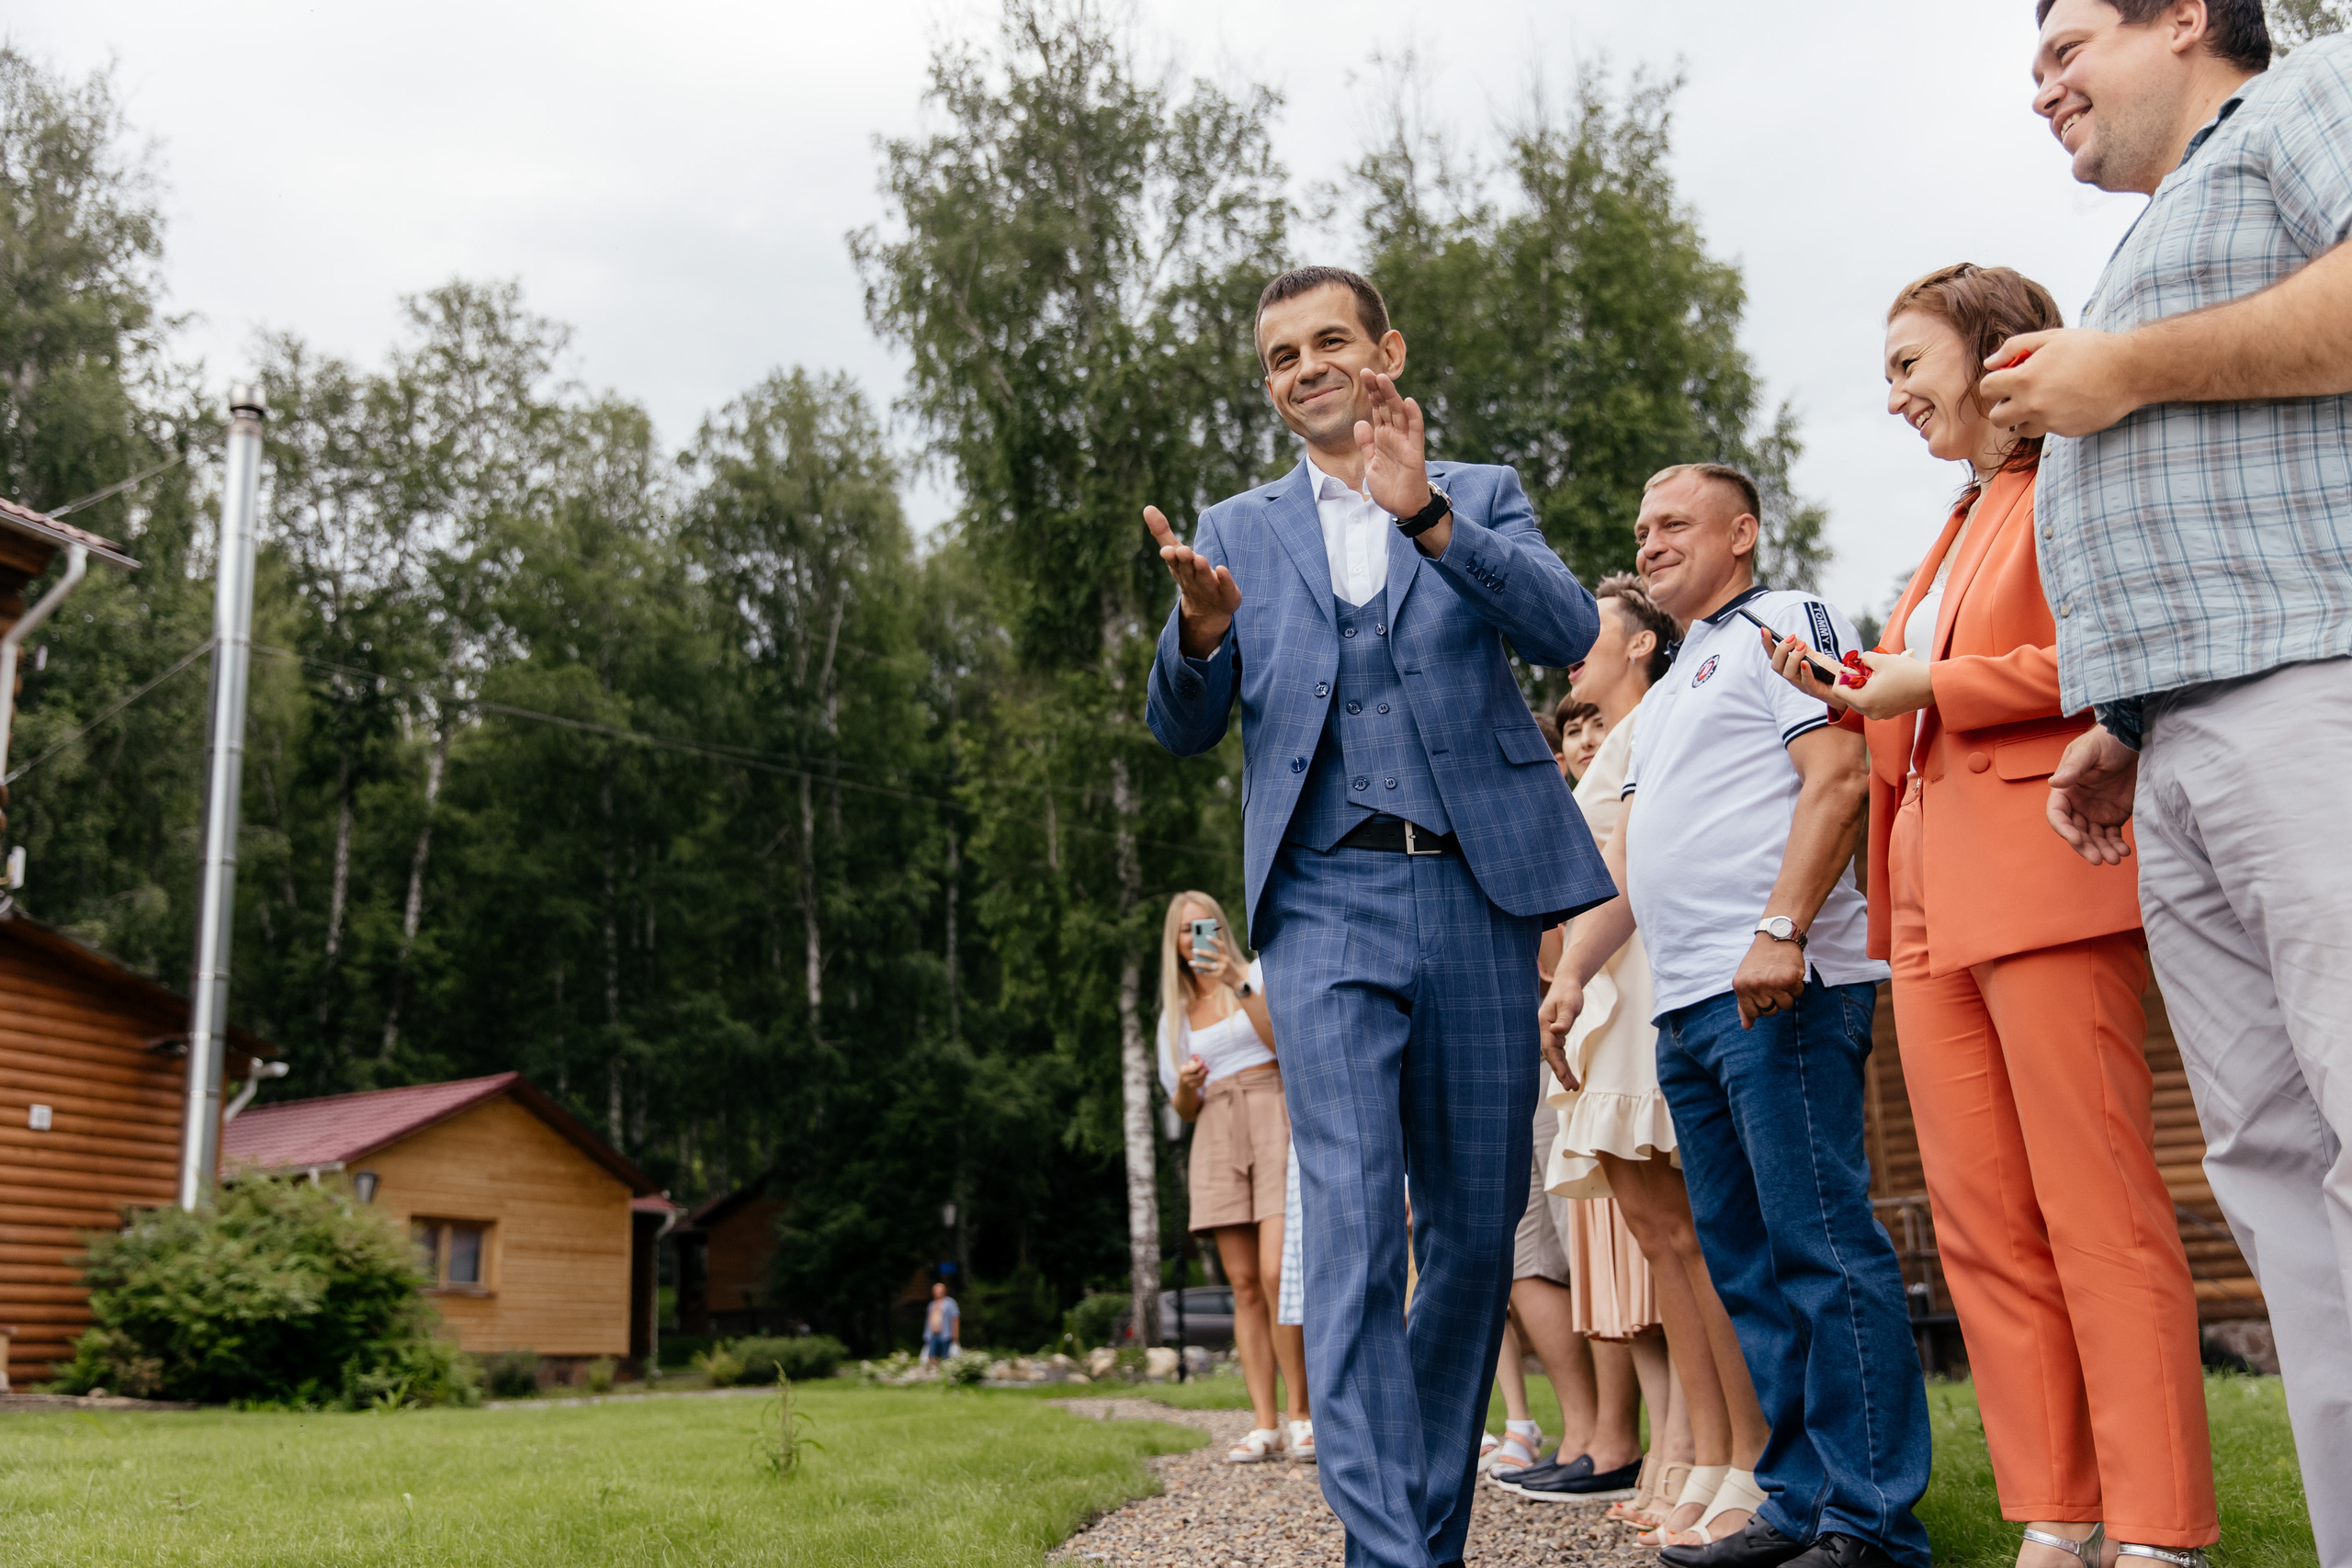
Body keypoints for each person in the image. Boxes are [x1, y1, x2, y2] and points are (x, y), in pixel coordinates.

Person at [1145, 265, 1614, 1568]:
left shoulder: (1481, 489)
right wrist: (1196, 633)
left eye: (1328, 340)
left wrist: (1431, 519)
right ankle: (1394, 1552)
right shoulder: (1235, 523)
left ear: (1386, 352)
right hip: (1325, 898)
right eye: (1280, 354)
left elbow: (1572, 625)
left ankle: (1415, 1539)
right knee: (1350, 1222)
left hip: (1475, 889)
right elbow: (1182, 722)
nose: (1303, 366)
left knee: (1471, 1235)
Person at [1768, 263, 2214, 1568]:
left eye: (1910, 362)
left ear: (1996, 354)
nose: (1893, 391)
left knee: (2097, 1204)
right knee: (1980, 1221)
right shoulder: (1958, 523)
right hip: (1925, 905)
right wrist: (1851, 683)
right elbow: (1920, 679)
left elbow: (2119, 643)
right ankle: (2058, 1509)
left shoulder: (2077, 483)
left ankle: (2161, 1524)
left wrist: (1932, 678)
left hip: (2042, 873)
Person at [1984, 5, 2352, 1554]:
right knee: (2276, 1175)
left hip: (2315, 688)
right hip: (2197, 730)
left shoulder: (2310, 96)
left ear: (2187, 16)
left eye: (2068, 42)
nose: (2043, 83)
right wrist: (2127, 715)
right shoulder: (2159, 228)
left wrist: (2117, 371)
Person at [1542, 464, 1931, 1568]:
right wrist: (1574, 975)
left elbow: (1838, 772)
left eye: (1673, 523)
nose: (1650, 540)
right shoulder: (1671, 689)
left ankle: (1872, 1524)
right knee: (1746, 1264)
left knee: (1819, 1249)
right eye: (1640, 527)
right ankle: (1799, 1501)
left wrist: (1785, 928)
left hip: (1777, 991)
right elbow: (1632, 863)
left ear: (1742, 532)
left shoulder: (1786, 620)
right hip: (1686, 1006)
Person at [1545, 572, 1774, 1549]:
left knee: (1698, 1235)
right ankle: (1711, 1453)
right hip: (1603, 990)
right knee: (1657, 1240)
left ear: (1639, 644)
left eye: (1587, 632)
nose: (1568, 648)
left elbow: (1643, 863)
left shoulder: (1654, 725)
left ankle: (1753, 1458)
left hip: (1653, 985)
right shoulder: (1604, 746)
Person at [1157, 889, 1311, 1464]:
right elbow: (1182, 1108)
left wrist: (1237, 979)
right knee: (1243, 1284)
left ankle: (1303, 1414)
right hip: (1217, 1130)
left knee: (1278, 1273)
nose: (1195, 938)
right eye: (1184, 930)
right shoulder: (1172, 1014)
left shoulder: (1257, 971)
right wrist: (1188, 1088)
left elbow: (1284, 1043)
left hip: (1274, 1115)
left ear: (1222, 929)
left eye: (1205, 926)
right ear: (1172, 944)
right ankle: (1264, 1422)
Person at [921, 1280, 959, 1366]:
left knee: (946, 1355)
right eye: (936, 1290)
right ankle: (934, 1370)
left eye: (940, 1290)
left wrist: (955, 1333)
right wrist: (926, 1334)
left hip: (946, 1333)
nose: (938, 1292)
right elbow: (928, 1320)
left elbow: (955, 1318)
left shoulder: (950, 1303)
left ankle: (946, 1370)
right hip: (933, 1333)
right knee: (931, 1355)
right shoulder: (931, 1305)